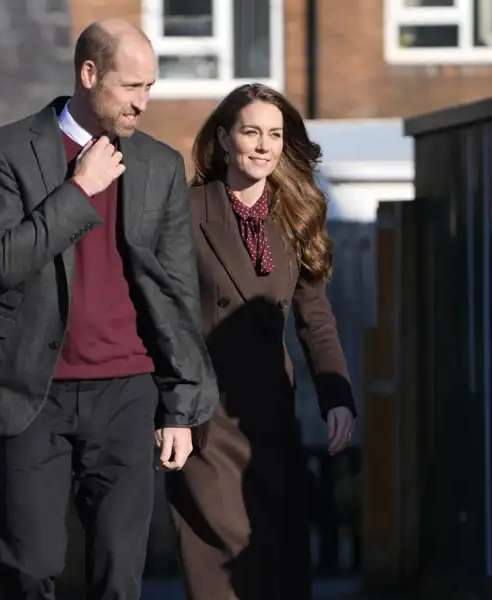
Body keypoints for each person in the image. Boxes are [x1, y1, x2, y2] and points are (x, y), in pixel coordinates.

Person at [0, 18, 218, 600]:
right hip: (34, 392)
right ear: (89, 73)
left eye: (150, 87)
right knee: (29, 569)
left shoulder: (159, 164)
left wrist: (180, 404)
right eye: (131, 87)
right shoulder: (4, 150)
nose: (143, 103)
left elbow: (177, 292)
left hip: (128, 393)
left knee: (119, 575)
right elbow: (4, 259)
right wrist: (79, 190)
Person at [165, 83, 357, 600]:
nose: (263, 145)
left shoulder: (298, 213)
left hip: (270, 415)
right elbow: (164, 314)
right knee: (226, 552)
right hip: (205, 414)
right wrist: (172, 412)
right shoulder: (184, 209)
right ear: (224, 138)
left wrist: (336, 397)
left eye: (274, 134)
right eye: (251, 131)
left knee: (274, 557)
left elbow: (315, 318)